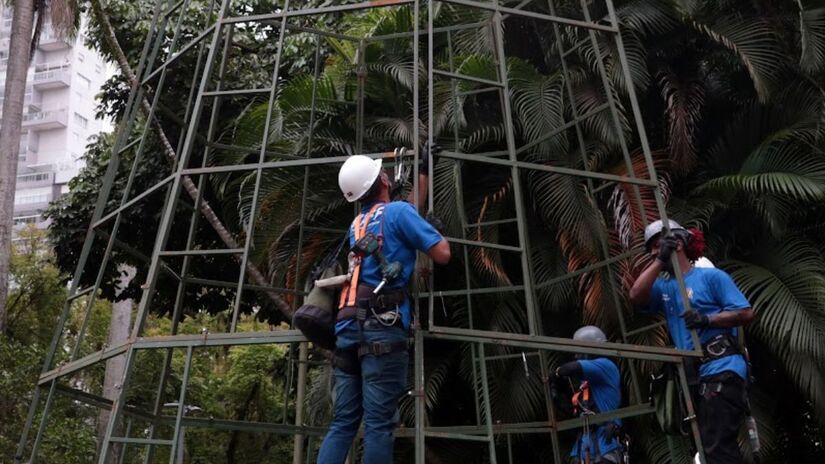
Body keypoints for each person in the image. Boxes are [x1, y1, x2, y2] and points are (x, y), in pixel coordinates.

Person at [316, 150, 450, 464]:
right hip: (381, 327)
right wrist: (435, 229)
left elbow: (402, 216)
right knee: (378, 424)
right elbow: (442, 253)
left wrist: (423, 176)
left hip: (348, 328)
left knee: (343, 423)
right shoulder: (399, 213)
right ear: (385, 179)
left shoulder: (358, 225)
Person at [629, 219, 755, 464]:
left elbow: (745, 313)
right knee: (706, 449)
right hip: (696, 376)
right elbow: (635, 295)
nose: (654, 251)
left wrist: (707, 320)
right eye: (653, 249)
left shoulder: (711, 278)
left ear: (677, 243)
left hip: (722, 368)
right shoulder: (665, 287)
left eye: (658, 245)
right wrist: (659, 261)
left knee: (717, 448)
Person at [555, 326, 624, 464]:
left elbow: (572, 368)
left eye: (578, 351)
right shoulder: (585, 384)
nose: (575, 356)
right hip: (584, 446)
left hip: (605, 444)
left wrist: (557, 372)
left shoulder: (606, 366)